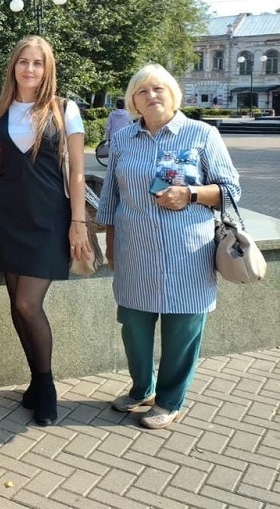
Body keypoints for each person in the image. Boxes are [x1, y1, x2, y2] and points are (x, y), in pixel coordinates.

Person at [96, 64, 239, 429]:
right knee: (134, 326)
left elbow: (231, 190)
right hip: (135, 249)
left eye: (158, 88)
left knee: (182, 328)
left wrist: (191, 194)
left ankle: (170, 400)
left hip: (187, 252)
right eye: (142, 91)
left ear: (173, 93)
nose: (152, 96)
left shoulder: (201, 134)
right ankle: (142, 388)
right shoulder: (123, 139)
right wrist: (110, 244)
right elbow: (110, 196)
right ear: (133, 101)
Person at [0, 36, 92, 427]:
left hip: (50, 220)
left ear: (47, 69)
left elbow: (78, 173)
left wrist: (78, 223)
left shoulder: (64, 110)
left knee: (27, 303)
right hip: (9, 219)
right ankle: (36, 384)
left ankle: (47, 384)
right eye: (23, 62)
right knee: (15, 305)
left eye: (37, 63)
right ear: (14, 66)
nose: (29, 69)